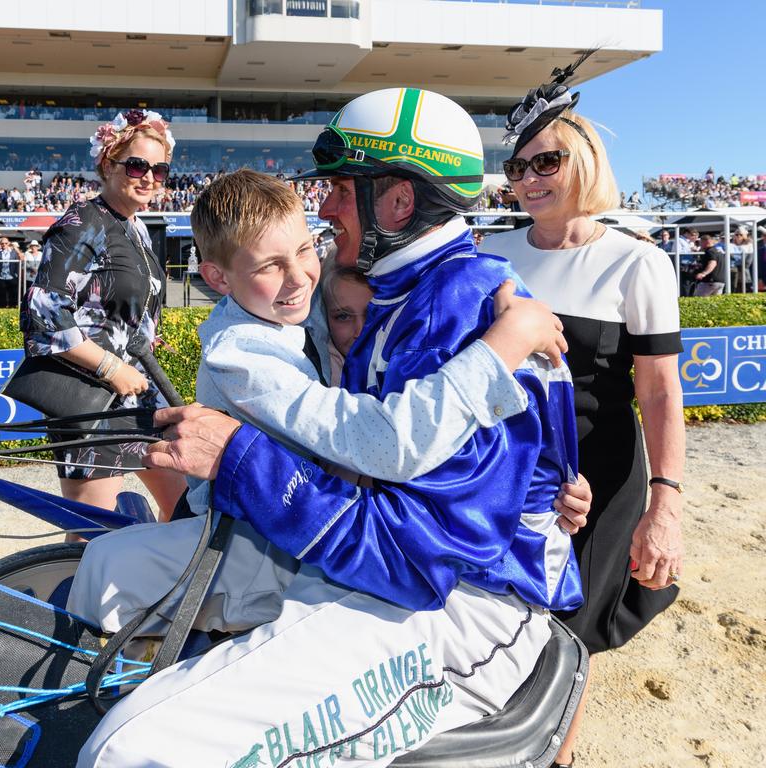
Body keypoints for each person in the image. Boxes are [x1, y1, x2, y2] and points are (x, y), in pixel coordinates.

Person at [75, 89, 585, 767]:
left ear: (398, 202)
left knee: (127, 750)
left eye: (342, 189)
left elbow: (411, 548)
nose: (325, 209)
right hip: (381, 571)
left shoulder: (462, 309)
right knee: (106, 568)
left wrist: (239, 461)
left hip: (453, 604)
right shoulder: (402, 290)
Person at [484, 54, 686, 767]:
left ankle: (555, 758)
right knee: (502, 616)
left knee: (571, 629)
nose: (529, 179)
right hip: (507, 473)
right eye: (517, 168)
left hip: (598, 476)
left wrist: (666, 503)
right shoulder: (492, 252)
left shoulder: (638, 261)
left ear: (585, 162)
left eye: (547, 163)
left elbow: (661, 392)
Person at [20, 108, 187, 523]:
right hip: (91, 397)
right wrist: (112, 366)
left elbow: (121, 304)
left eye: (159, 169)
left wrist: (141, 334)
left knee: (186, 508)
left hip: (136, 394)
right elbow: (43, 311)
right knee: (89, 531)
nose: (148, 177)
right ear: (108, 164)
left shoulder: (136, 228)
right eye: (137, 165)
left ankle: (162, 586)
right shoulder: (81, 224)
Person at [0, 235, 21, 308]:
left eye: (5, 243)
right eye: (2, 243)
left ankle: (13, 306)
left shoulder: (13, 252)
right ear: (0, 244)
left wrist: (17, 274)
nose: (4, 245)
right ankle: (2, 306)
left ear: (8, 244)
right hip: (0, 276)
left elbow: (17, 264)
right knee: (1, 293)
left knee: (13, 292)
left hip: (11, 275)